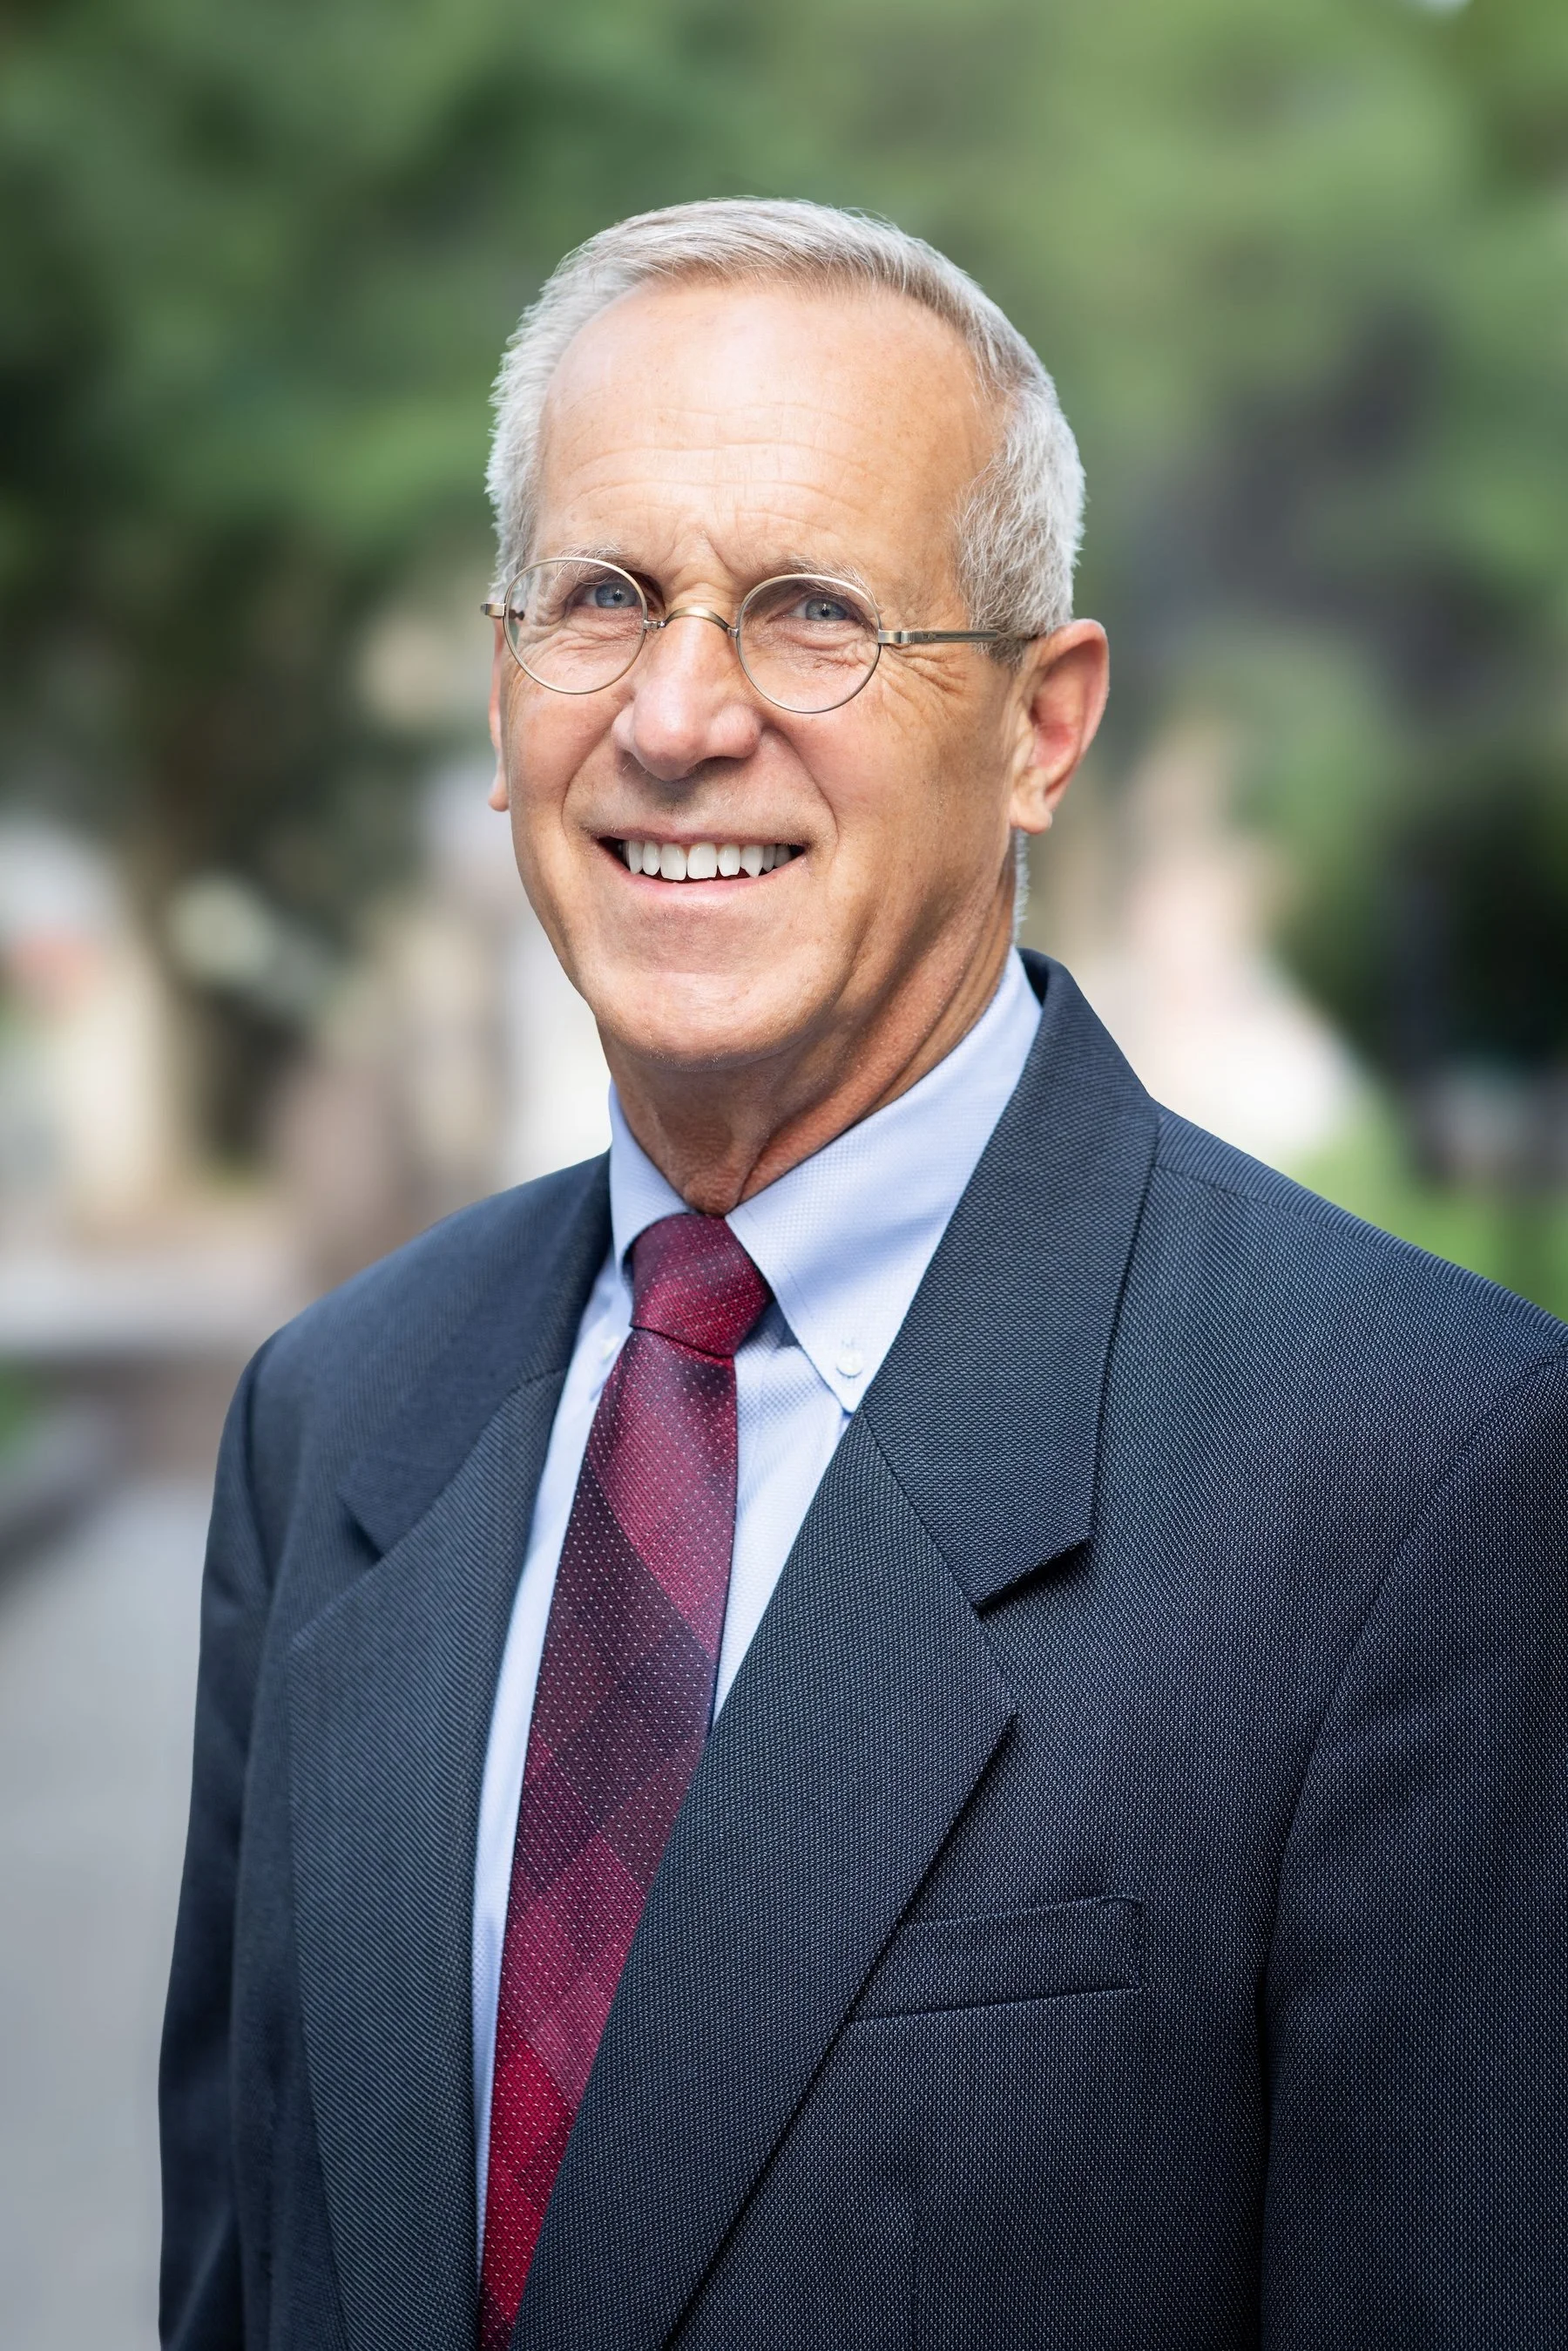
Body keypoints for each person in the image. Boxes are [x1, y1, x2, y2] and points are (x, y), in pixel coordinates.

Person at [159, 199, 1566, 2351]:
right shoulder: (336, 1418)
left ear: (1042, 724)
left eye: (812, 609)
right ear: (503, 664)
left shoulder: (1417, 1475)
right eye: (603, 596)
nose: (678, 712)